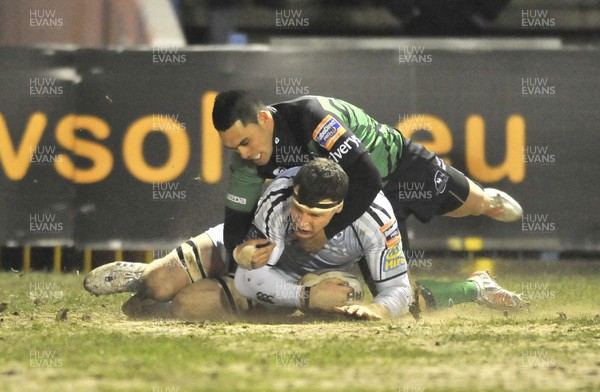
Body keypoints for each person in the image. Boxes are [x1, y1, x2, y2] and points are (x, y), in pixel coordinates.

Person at [83, 160, 526, 321]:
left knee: (178, 308)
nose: (302, 221)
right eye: (299, 208)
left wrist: (372, 305)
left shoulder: (374, 217)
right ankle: (147, 274)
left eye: (316, 215)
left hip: (305, 277)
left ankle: (475, 286)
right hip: (246, 256)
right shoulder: (279, 196)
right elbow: (252, 278)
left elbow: (394, 291)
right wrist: (300, 296)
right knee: (159, 285)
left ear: (341, 209)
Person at [212, 90, 523, 260]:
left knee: (473, 204)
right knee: (400, 296)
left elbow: (368, 177)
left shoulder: (312, 119)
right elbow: (235, 225)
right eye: (234, 148)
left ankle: (488, 199)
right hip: (364, 205)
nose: (244, 154)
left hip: (399, 167)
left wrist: (327, 231)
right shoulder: (245, 165)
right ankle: (477, 289)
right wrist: (242, 251)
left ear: (264, 119)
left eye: (245, 142)